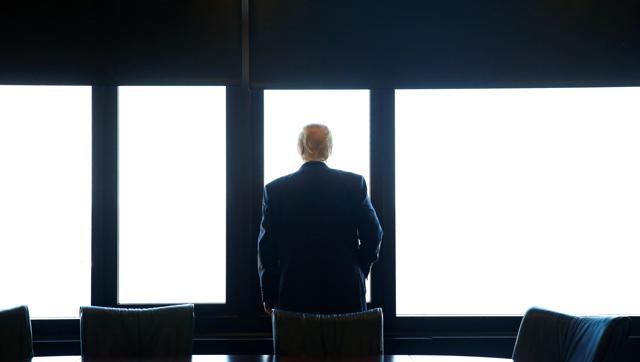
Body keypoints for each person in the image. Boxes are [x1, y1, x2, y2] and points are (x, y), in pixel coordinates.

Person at [258, 124, 383, 315]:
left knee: (299, 345)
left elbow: (266, 248)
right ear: (329, 149)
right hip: (345, 290)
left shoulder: (276, 190)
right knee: (345, 344)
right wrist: (358, 269)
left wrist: (269, 293)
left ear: (300, 148)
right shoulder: (353, 184)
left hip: (294, 291)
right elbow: (374, 234)